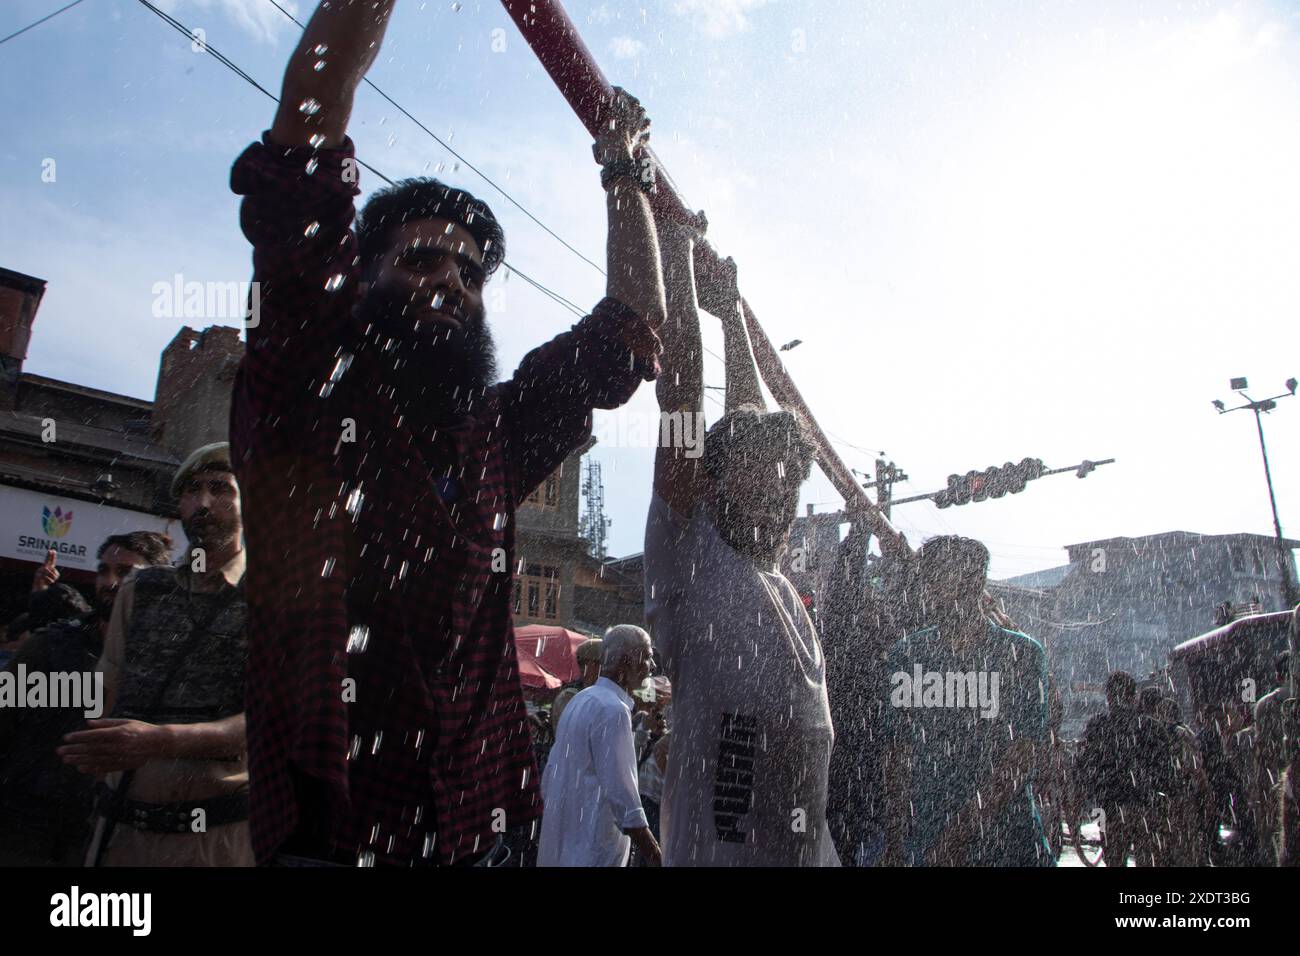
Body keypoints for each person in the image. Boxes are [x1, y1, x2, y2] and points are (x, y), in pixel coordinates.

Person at [230, 0, 666, 868]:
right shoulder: (305, 388)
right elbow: (304, 141)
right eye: (421, 259)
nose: (450, 280)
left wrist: (626, 169)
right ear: (361, 277)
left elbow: (632, 329)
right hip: (332, 837)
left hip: (480, 836)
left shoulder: (493, 437)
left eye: (468, 270)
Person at [644, 217, 838, 867]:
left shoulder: (773, 578)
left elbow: (756, 424)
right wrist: (674, 248)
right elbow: (683, 404)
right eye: (756, 477)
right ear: (714, 481)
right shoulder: (693, 556)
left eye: (786, 483)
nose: (776, 493)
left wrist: (729, 313)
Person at [62, 444, 251, 866]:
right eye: (191, 490)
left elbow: (276, 725)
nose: (202, 503)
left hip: (214, 842)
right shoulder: (141, 588)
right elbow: (106, 688)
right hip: (119, 833)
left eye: (220, 488)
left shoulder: (277, 597)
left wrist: (159, 741)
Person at [0, 533, 172, 865]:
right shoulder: (49, 646)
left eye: (125, 572)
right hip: (26, 822)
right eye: (103, 570)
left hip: (115, 829)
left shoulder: (168, 661)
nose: (110, 582)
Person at [881, 536, 1052, 867]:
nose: (928, 588)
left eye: (939, 574)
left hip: (1008, 845)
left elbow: (1022, 756)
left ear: (975, 580)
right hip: (929, 838)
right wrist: (894, 843)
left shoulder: (1020, 654)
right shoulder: (908, 655)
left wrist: (956, 839)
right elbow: (897, 755)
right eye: (927, 576)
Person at [538, 625, 661, 867]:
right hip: (591, 855)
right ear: (628, 661)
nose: (653, 666)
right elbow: (624, 799)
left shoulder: (581, 701)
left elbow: (550, 778)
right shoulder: (612, 711)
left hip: (564, 851)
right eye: (648, 657)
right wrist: (655, 853)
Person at [551, 638, 604, 730]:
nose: (607, 668)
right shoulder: (569, 696)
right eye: (601, 663)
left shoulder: (607, 692)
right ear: (589, 664)